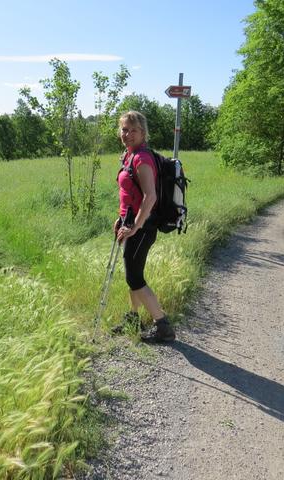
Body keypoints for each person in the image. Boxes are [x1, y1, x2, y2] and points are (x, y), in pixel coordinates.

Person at [111, 111, 176, 343]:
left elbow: (150, 197)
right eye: (124, 129)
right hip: (130, 223)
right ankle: (133, 319)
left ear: (143, 133)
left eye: (133, 130)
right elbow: (130, 194)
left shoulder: (142, 159)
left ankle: (163, 327)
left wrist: (136, 227)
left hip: (142, 227)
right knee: (133, 274)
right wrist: (121, 218)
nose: (127, 134)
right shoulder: (130, 155)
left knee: (135, 278)